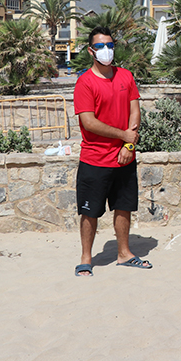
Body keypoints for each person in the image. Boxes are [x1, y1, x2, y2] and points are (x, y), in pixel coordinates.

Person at [73, 26, 151, 277]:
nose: (106, 50)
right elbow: (89, 121)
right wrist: (122, 136)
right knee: (89, 211)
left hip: (125, 157)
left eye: (110, 45)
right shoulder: (84, 82)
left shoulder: (126, 77)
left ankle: (124, 253)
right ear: (90, 50)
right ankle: (86, 258)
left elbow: (135, 111)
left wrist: (129, 145)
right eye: (100, 46)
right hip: (95, 159)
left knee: (123, 206)